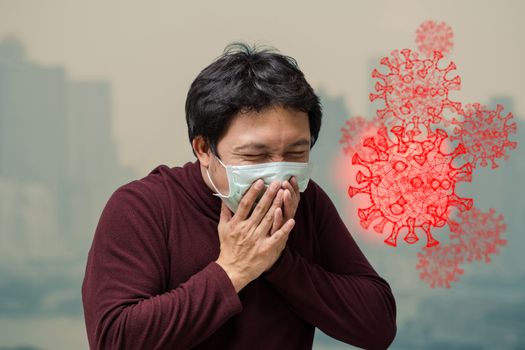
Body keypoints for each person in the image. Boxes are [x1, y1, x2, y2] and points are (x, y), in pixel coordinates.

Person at [81, 42, 397, 350]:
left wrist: (279, 263)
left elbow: (378, 326)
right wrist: (233, 270)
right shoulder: (143, 208)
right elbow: (113, 339)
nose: (278, 171)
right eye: (256, 155)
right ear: (204, 149)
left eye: (295, 152)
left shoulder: (307, 201)